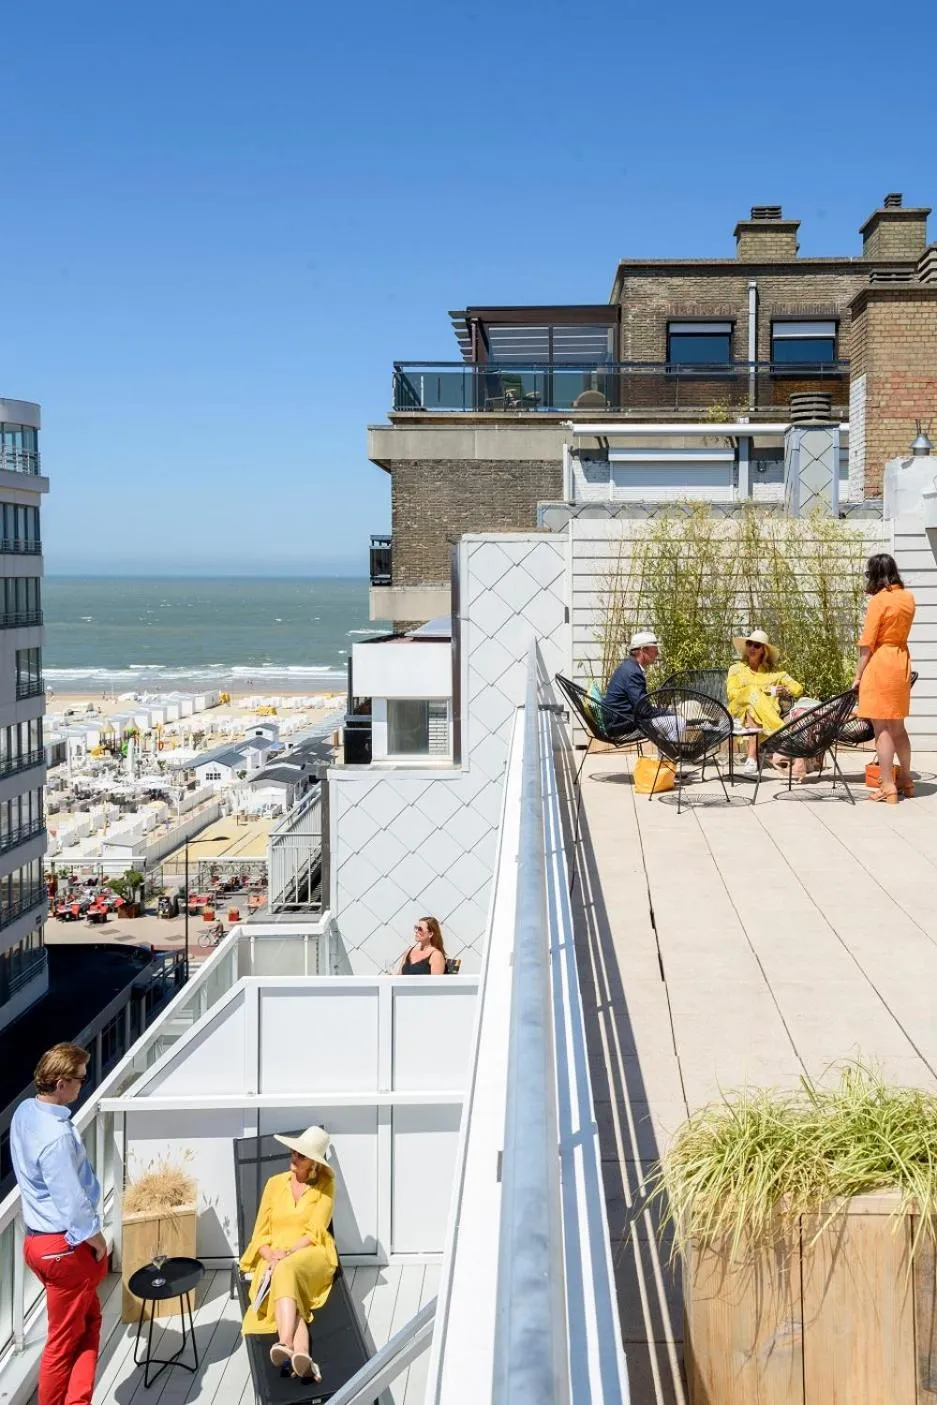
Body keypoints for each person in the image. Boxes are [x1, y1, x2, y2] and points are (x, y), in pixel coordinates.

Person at [10, 1043, 108, 1405]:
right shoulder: (58, 1138)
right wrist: (97, 1241)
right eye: (81, 1079)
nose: (84, 1085)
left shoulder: (24, 1112)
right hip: (64, 1248)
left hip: (37, 1244)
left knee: (87, 1323)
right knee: (64, 1342)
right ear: (62, 1082)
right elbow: (71, 1200)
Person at [239, 1126, 338, 1383]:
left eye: (301, 1156)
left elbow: (315, 1231)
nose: (293, 1157)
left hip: (310, 1253)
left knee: (287, 1270)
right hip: (274, 1257)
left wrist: (288, 1253)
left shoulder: (326, 1187)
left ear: (314, 1164)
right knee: (287, 1280)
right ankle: (301, 1354)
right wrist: (270, 1254)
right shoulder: (274, 1184)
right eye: (293, 1152)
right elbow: (259, 1233)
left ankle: (283, 1341)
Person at [853, 553, 916, 804]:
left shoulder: (879, 601)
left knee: (882, 728)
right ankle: (907, 780)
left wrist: (858, 676)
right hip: (901, 660)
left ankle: (887, 785)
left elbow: (867, 644)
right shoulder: (908, 598)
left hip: (881, 663)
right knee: (898, 726)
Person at [726, 630, 804, 777]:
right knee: (751, 694)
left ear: (764, 650)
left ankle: (752, 758)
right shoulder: (735, 669)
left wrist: (785, 690)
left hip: (761, 717)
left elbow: (798, 688)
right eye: (749, 644)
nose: (751, 648)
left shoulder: (775, 674)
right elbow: (732, 693)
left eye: (756, 645)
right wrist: (768, 690)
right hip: (738, 710)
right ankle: (783, 733)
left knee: (752, 709)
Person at [603, 630, 660, 733]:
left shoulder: (629, 667)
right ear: (643, 650)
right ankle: (671, 750)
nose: (657, 653)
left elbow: (642, 707)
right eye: (655, 649)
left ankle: (666, 749)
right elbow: (644, 711)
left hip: (619, 720)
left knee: (671, 721)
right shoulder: (633, 672)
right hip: (620, 724)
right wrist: (668, 712)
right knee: (677, 722)